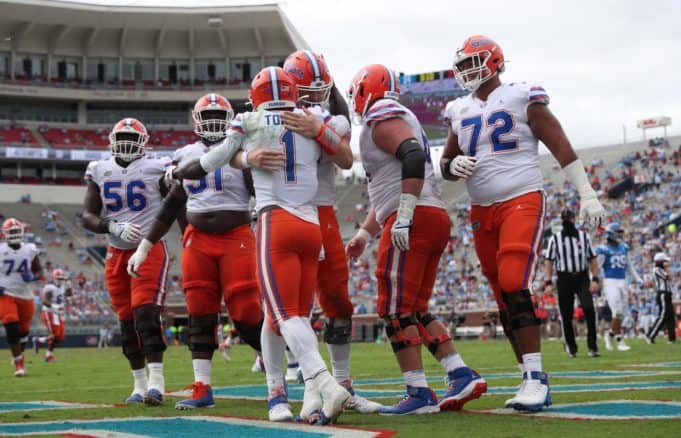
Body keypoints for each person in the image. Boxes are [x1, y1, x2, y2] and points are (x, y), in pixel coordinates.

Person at [169, 66, 350, 425]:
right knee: (286, 314)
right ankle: (286, 396)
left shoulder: (248, 121)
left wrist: (178, 172)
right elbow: (345, 158)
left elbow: (209, 162)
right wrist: (321, 130)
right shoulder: (310, 118)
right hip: (311, 223)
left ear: (256, 96)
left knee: (282, 315)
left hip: (275, 221)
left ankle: (326, 383)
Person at [440, 35, 606, 412]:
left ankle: (536, 378)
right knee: (501, 292)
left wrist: (587, 192)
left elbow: (559, 143)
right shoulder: (457, 109)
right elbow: (445, 165)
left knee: (515, 281)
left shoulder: (520, 95)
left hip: (522, 198)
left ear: (495, 61)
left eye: (473, 62)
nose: (467, 70)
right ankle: (525, 371)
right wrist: (453, 166)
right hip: (482, 209)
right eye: (462, 64)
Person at [346, 63, 487, 415]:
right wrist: (365, 233)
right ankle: (460, 373)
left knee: (393, 309)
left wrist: (405, 215)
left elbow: (410, 155)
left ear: (366, 90)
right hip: (429, 213)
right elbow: (386, 190)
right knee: (414, 308)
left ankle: (418, 392)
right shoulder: (397, 114)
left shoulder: (382, 116)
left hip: (415, 215)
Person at [127, 93, 264, 410]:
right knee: (199, 313)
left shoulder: (240, 150)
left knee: (245, 313)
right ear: (195, 120)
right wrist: (145, 247)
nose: (214, 122)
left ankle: (277, 373)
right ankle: (202, 387)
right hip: (197, 239)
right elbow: (172, 203)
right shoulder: (184, 154)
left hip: (236, 236)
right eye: (208, 115)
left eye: (220, 115)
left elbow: (260, 191)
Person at [281, 49, 381, 414]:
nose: (312, 96)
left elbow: (344, 158)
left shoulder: (328, 118)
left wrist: (318, 129)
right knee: (297, 306)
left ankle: (342, 383)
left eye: (318, 88)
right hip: (288, 210)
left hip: (322, 210)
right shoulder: (268, 119)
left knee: (337, 300)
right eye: (306, 89)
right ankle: (310, 385)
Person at [82, 118, 171, 406]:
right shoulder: (100, 169)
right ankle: (139, 384)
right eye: (122, 137)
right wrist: (111, 226)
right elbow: (88, 215)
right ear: (111, 139)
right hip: (116, 251)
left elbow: (175, 203)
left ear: (144, 142)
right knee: (126, 322)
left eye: (133, 138)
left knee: (145, 312)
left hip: (149, 247)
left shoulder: (157, 167)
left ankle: (157, 382)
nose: (127, 143)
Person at [544, 209, 601, 358]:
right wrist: (548, 281)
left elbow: (593, 258)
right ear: (562, 221)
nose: (568, 221)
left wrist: (595, 278)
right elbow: (549, 260)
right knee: (566, 314)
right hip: (564, 278)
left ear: (575, 219)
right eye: (565, 219)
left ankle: (592, 346)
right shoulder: (555, 239)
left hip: (582, 276)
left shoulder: (583, 237)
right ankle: (571, 346)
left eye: (570, 218)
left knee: (589, 308)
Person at [0, 218, 42, 377]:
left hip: (24, 293)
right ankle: (19, 363)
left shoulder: (30, 249)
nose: (14, 234)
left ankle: (19, 355)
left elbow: (39, 272)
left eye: (17, 231)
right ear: (4, 234)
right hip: (5, 293)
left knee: (23, 331)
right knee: (10, 322)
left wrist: (32, 277)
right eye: (11, 232)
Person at [595, 222, 642, 351]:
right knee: (617, 312)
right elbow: (597, 267)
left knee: (621, 314)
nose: (621, 234)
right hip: (610, 282)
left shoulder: (623, 247)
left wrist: (637, 278)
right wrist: (592, 280)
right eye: (618, 232)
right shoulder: (603, 249)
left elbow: (628, 265)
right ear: (612, 234)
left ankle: (609, 335)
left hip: (623, 281)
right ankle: (620, 341)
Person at [35, 268, 73, 362]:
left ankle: (40, 341)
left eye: (61, 278)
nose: (60, 280)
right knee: (54, 334)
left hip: (57, 314)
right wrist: (54, 307)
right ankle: (48, 356)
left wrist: (69, 286)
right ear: (54, 278)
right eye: (58, 278)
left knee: (60, 336)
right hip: (49, 312)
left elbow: (69, 295)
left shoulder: (63, 286)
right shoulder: (50, 287)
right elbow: (44, 301)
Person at [646, 252, 676, 344]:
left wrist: (666, 267)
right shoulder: (657, 269)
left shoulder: (661, 269)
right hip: (662, 294)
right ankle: (650, 336)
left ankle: (671, 338)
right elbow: (669, 277)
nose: (666, 262)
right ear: (660, 261)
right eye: (664, 261)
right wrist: (666, 267)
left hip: (667, 294)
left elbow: (671, 277)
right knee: (662, 316)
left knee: (671, 317)